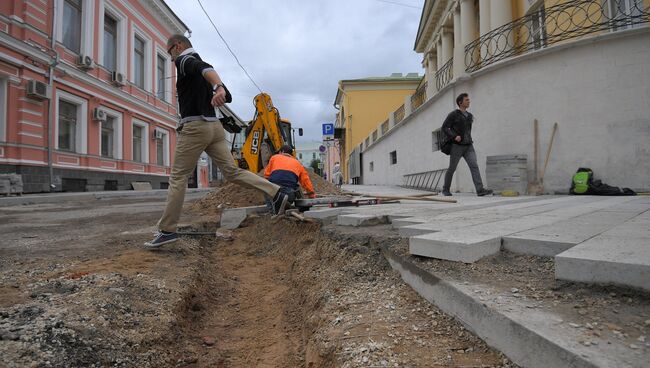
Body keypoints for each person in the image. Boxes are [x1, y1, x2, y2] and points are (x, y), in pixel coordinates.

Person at [145, 35, 289, 248]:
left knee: (178, 177)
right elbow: (224, 92)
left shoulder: (184, 61)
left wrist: (218, 86)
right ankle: (276, 192)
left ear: (177, 46)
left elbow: (202, 68)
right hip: (214, 128)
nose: (170, 58)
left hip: (195, 128)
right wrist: (220, 88)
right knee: (232, 172)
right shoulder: (202, 67)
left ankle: (167, 230)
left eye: (169, 52)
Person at [441, 93, 493, 197]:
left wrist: (468, 139)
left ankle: (480, 190)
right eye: (466, 100)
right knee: (452, 168)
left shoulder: (469, 116)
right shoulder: (454, 114)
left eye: (469, 100)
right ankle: (445, 189)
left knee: (474, 166)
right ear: (460, 102)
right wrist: (454, 136)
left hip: (469, 145)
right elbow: (445, 127)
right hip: (457, 146)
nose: (469, 101)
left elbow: (468, 131)